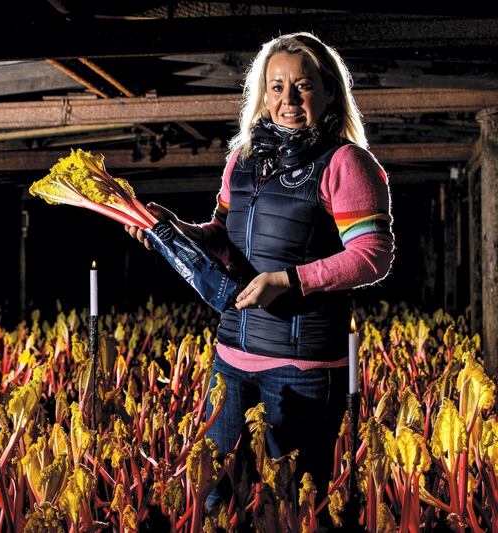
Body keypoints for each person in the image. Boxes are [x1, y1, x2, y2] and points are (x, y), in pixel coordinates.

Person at [124, 31, 394, 519]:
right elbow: (224, 233)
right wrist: (179, 231)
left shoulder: (347, 163)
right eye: (276, 87)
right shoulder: (242, 160)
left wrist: (288, 281)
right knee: (210, 499)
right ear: (261, 94)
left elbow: (372, 254)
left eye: (303, 86)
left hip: (302, 369)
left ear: (330, 91)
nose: (287, 100)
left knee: (290, 506)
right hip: (231, 359)